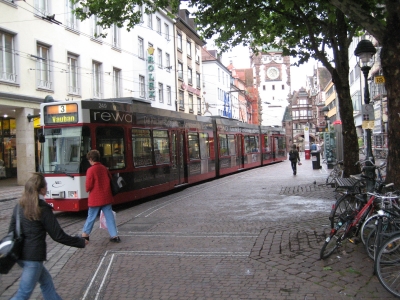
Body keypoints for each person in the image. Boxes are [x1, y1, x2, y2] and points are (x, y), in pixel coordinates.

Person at [8, 173, 87, 300]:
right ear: (42, 189)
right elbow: (58, 235)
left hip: (20, 256)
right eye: (46, 185)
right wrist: (80, 242)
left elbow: (11, 231)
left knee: (46, 283)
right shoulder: (42, 208)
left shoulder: (19, 206)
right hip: (33, 258)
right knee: (23, 294)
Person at [81, 150, 121, 243]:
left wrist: (87, 189)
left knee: (91, 216)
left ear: (91, 159)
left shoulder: (90, 170)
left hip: (95, 198)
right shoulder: (104, 168)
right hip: (106, 197)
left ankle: (85, 234)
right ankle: (114, 235)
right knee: (109, 216)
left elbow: (88, 186)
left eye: (88, 160)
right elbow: (110, 180)